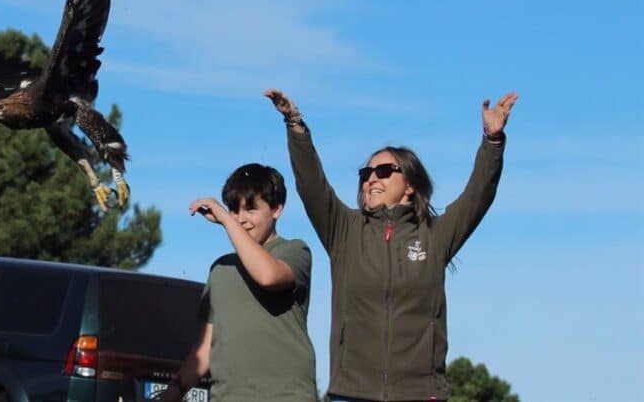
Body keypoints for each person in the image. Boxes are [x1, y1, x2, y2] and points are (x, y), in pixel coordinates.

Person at [264, 88, 518, 402]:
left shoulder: (433, 235)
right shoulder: (343, 230)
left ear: (410, 185)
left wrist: (492, 142)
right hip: (351, 393)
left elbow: (478, 196)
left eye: (384, 171)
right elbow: (312, 184)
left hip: (421, 393)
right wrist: (295, 125)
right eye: (366, 173)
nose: (372, 178)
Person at [160, 163, 319, 402]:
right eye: (234, 209)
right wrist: (174, 392)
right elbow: (205, 350)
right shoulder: (221, 269)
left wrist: (226, 219)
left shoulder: (294, 251)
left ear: (276, 209)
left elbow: (268, 276)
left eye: (251, 209)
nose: (241, 219)